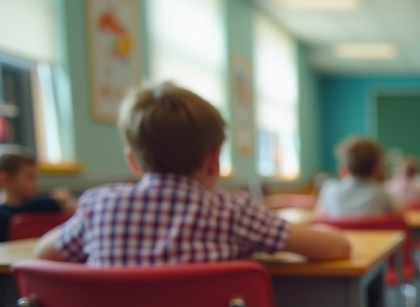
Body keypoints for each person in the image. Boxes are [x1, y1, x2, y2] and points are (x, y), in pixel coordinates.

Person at [34, 82, 350, 265]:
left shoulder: (97, 207)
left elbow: (43, 255)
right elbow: (336, 248)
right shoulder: (232, 212)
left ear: (133, 161)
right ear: (213, 159)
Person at [0, 149, 75, 241]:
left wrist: (64, 199)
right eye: (30, 177)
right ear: (5, 179)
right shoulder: (2, 216)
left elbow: (71, 209)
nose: (36, 184)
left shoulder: (42, 205)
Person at [316, 135, 398, 217]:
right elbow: (400, 218)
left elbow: (317, 219)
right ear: (377, 170)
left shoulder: (329, 190)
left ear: (343, 169)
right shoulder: (382, 194)